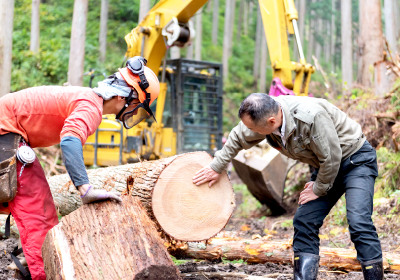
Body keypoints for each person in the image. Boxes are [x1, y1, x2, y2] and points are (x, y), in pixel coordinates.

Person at [0, 56, 160, 280]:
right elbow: (70, 140)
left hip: (9, 132)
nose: (134, 112)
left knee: (38, 201)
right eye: (136, 106)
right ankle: (44, 271)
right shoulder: (90, 107)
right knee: (37, 206)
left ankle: (36, 256)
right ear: (124, 96)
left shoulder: (87, 99)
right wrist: (85, 189)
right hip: (6, 132)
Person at [193, 93, 383, 280]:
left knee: (359, 222)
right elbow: (237, 136)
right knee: (304, 221)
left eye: (255, 129)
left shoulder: (310, 117)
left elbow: (331, 157)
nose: (252, 133)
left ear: (271, 121)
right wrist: (217, 167)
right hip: (325, 167)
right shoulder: (265, 116)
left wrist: (318, 189)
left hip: (355, 161)